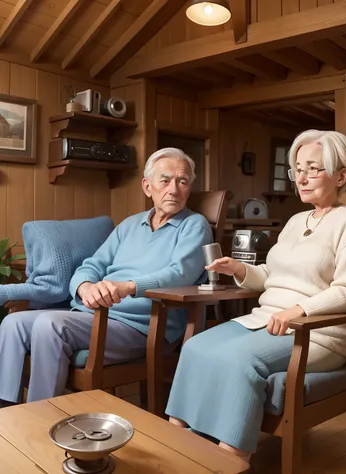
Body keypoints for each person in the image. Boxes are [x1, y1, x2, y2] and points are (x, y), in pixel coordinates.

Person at [165, 130, 346, 461]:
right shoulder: (294, 221)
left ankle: (229, 460)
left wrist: (298, 311)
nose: (302, 178)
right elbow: (271, 276)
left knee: (240, 361)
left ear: (341, 175)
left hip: (319, 333)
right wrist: (240, 270)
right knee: (194, 346)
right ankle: (176, 446)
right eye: (298, 169)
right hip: (267, 320)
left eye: (313, 169)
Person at [0, 147, 213, 406]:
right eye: (165, 180)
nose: (174, 189)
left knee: (50, 323)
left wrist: (127, 287)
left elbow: (180, 274)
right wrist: (85, 286)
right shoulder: (130, 225)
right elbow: (92, 264)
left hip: (144, 325)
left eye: (183, 181)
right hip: (93, 315)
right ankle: (7, 413)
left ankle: (38, 418)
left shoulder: (195, 225)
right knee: (14, 324)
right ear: (148, 186)